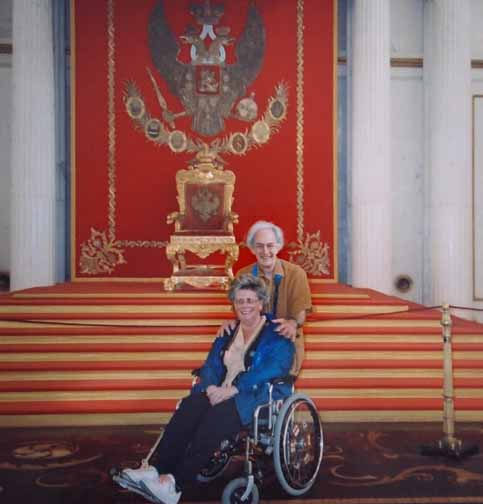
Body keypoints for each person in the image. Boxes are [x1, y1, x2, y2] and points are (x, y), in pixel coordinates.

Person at [115, 274, 294, 504]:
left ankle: (174, 485)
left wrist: (234, 389)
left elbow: (274, 367)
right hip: (220, 391)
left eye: (250, 300)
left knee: (215, 418)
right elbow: (211, 364)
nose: (245, 306)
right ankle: (156, 469)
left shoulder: (276, 333)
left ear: (261, 303)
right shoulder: (228, 331)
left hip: (253, 396)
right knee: (189, 407)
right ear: (234, 304)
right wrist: (209, 387)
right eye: (240, 301)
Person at [218, 220, 312, 376]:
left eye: (270, 245)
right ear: (252, 248)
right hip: (252, 341)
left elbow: (300, 315)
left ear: (278, 246)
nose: (265, 251)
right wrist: (232, 323)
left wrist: (292, 323)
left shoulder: (296, 274)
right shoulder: (243, 274)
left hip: (283, 340)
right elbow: (240, 313)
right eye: (259, 246)